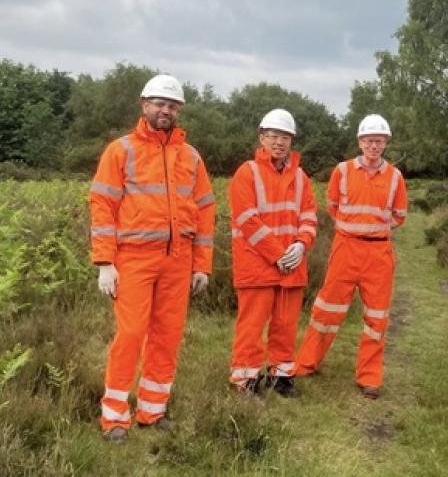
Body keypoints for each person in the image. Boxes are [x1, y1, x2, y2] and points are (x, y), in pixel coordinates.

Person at [89, 74, 216, 442]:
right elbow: (102, 204)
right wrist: (104, 263)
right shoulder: (121, 150)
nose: (166, 110)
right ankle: (114, 417)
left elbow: (206, 210)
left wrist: (202, 264)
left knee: (167, 335)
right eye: (160, 103)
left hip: (178, 261)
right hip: (133, 260)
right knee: (130, 334)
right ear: (144, 104)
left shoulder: (191, 157)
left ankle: (152, 410)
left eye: (173, 105)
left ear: (179, 111)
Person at [293, 114, 407, 399]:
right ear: (360, 141)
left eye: (379, 141)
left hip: (379, 252)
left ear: (385, 144)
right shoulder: (342, 171)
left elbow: (400, 215)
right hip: (345, 248)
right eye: (369, 140)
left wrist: (373, 231)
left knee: (377, 318)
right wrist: (353, 229)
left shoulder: (395, 177)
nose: (373, 146)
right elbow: (332, 206)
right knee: (325, 311)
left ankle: (370, 377)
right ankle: (306, 364)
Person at [228, 108, 317, 398]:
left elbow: (309, 215)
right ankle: (246, 379)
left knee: (286, 325)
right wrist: (278, 253)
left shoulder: (301, 177)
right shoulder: (247, 172)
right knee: (252, 325)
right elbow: (247, 219)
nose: (279, 142)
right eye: (273, 136)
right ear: (261, 137)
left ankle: (281, 376)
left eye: (285, 137)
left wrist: (302, 243)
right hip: (258, 264)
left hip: (291, 265)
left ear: (292, 141)